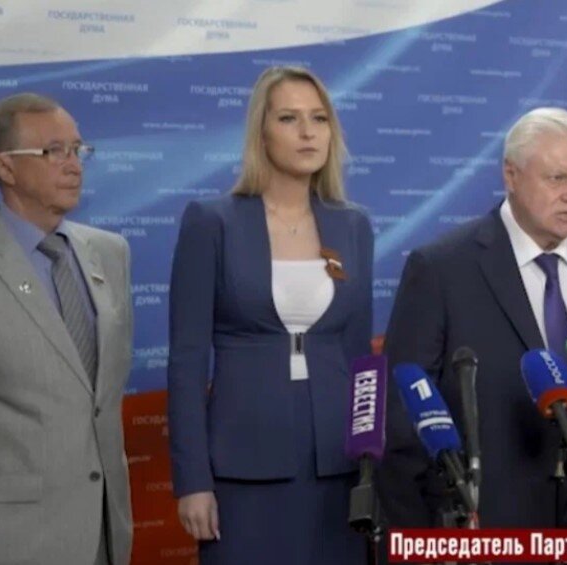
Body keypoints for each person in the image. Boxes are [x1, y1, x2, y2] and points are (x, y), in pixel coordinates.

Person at [378, 107, 567, 536]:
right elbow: (403, 417)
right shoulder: (444, 268)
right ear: (511, 175)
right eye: (557, 178)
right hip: (488, 519)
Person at [167, 66, 373, 564]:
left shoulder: (353, 225)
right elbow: (187, 362)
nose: (308, 132)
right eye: (288, 118)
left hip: (337, 468)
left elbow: (361, 362)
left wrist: (371, 467)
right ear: (261, 132)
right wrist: (192, 481)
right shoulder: (212, 222)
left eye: (319, 119)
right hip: (243, 466)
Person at [0, 93, 133, 564]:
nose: (74, 165)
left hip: (106, 529)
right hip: (11, 537)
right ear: (4, 166)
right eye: (53, 151)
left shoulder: (110, 253)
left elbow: (101, 396)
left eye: (78, 149)